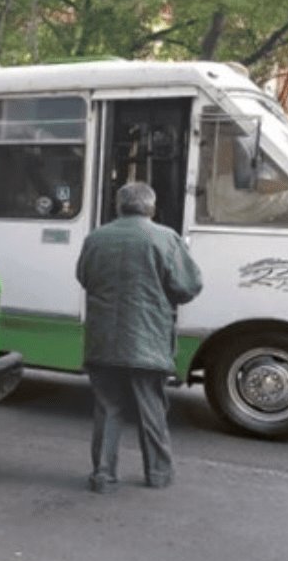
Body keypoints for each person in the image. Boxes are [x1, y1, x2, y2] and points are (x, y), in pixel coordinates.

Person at [75, 182, 203, 493]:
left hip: (104, 340)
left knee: (107, 408)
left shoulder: (96, 238)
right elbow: (188, 287)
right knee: (152, 410)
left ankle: (103, 477)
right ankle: (157, 474)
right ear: (151, 207)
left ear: (119, 206)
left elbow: (84, 277)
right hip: (148, 340)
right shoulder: (165, 238)